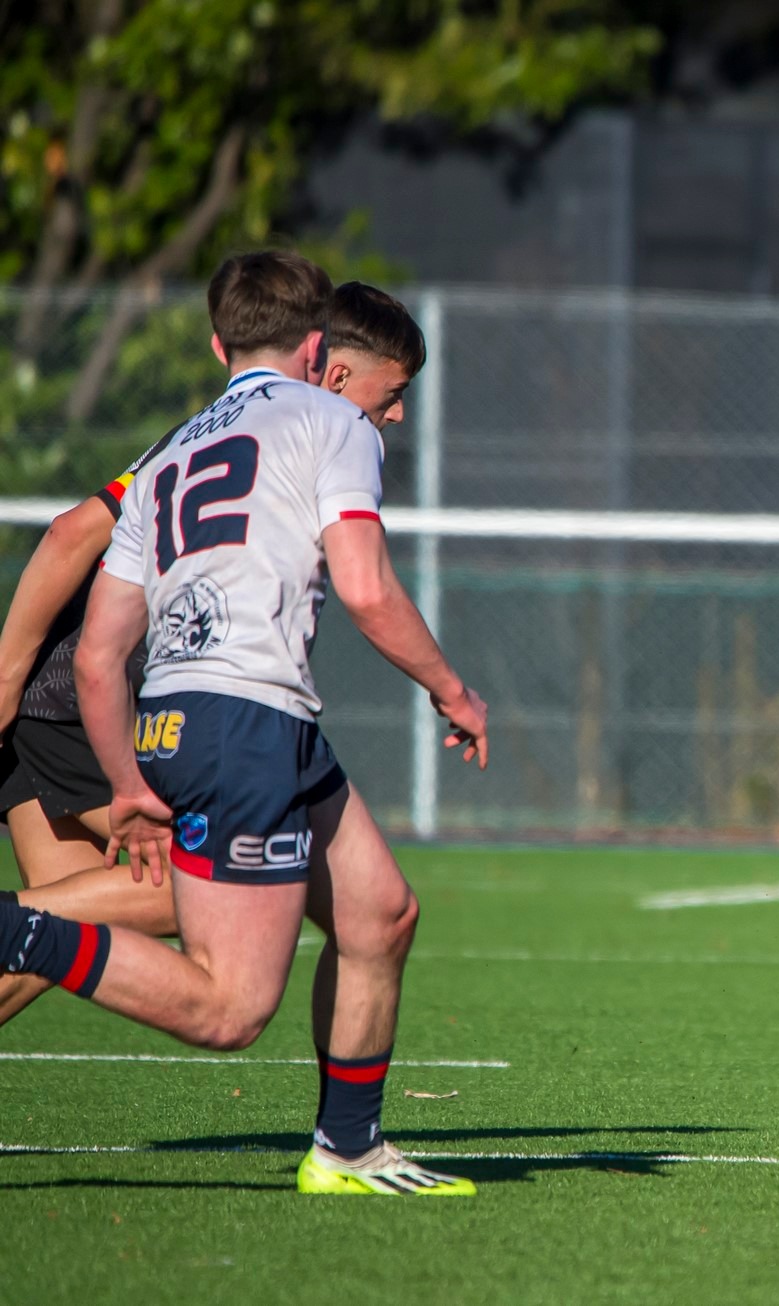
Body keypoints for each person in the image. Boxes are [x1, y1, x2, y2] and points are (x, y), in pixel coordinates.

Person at [0, 252, 489, 1197]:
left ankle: (348, 1148)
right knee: (227, 1007)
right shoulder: (332, 421)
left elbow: (102, 655)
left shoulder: (170, 452)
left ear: (219, 343)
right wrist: (451, 689)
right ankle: (18, 934)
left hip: (201, 718)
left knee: (380, 913)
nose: (389, 416)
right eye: (390, 399)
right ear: (318, 350)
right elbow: (364, 586)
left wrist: (134, 784)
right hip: (245, 721)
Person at [0, 281, 432, 1028]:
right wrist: (6, 678)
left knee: (73, 931)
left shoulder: (225, 427)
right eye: (391, 393)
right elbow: (74, 532)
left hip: (68, 697)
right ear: (328, 368)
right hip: (70, 700)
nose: (395, 414)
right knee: (181, 884)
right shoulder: (258, 435)